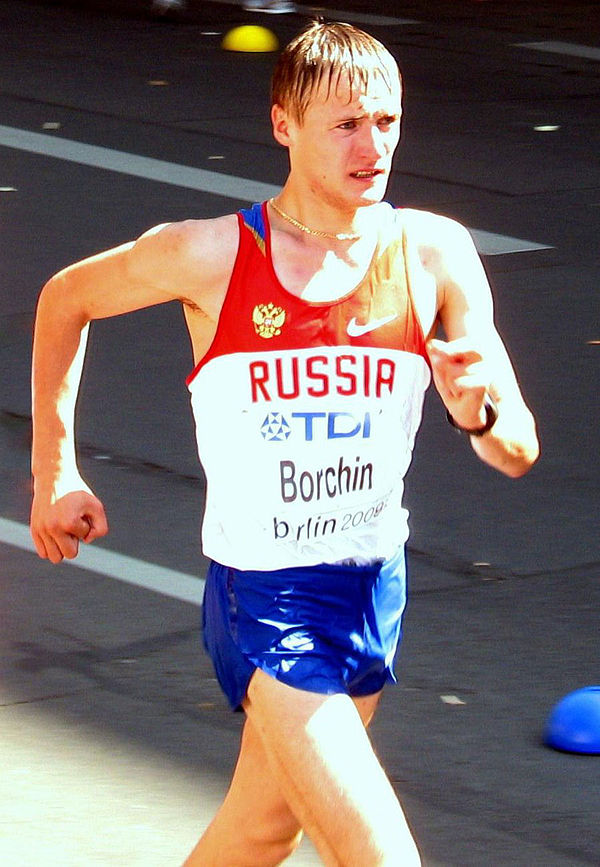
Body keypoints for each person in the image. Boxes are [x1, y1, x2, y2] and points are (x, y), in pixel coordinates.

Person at [29, 21, 539, 867]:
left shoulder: (433, 252)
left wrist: (480, 412)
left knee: (262, 831)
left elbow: (517, 449)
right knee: (382, 857)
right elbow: (63, 299)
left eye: (387, 121)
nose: (372, 145)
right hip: (265, 602)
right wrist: (55, 470)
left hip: (374, 589)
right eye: (345, 124)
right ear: (282, 126)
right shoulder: (212, 255)